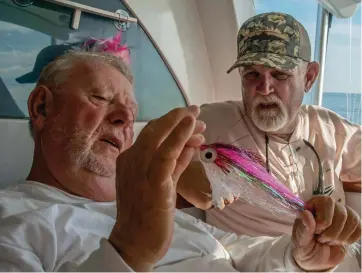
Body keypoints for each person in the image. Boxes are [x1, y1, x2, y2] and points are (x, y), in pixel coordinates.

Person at [0, 50, 359, 272]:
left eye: (132, 110)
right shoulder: (14, 222)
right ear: (41, 107)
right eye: (101, 97)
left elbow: (243, 254)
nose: (126, 118)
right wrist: (126, 252)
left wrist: (298, 256)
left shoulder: (152, 211)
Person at [177, 10, 361, 259]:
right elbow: (137, 156)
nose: (264, 88)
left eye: (280, 74)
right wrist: (177, 175)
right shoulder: (210, 122)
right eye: (252, 74)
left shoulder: (331, 129)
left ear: (309, 77)